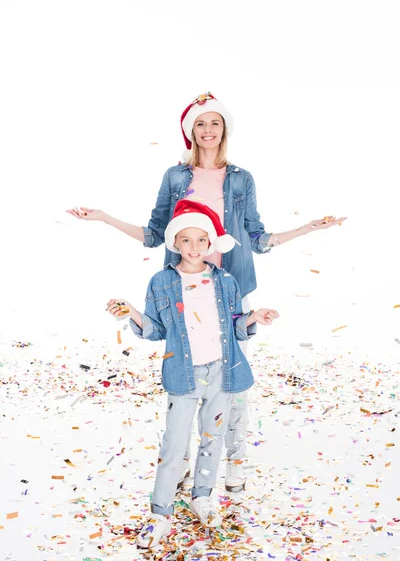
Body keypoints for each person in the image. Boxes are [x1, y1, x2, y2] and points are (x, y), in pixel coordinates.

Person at [67, 92, 346, 492]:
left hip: (229, 289)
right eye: (200, 123)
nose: (208, 130)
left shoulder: (242, 178)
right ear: (190, 131)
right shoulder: (176, 177)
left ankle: (234, 461)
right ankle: (180, 462)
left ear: (225, 129)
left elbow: (258, 237)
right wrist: (103, 217)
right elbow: (153, 234)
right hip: (181, 288)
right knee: (183, 377)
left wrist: (308, 229)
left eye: (215, 123)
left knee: (232, 380)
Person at [106, 199, 279, 548]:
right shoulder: (162, 281)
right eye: (186, 240)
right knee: (174, 445)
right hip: (183, 375)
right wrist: (133, 312)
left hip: (223, 373)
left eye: (202, 239)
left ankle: (202, 495)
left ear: (212, 242)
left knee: (211, 440)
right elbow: (155, 330)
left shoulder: (226, 281)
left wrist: (254, 317)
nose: (194, 247)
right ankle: (161, 513)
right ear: (174, 243)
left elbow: (235, 327)